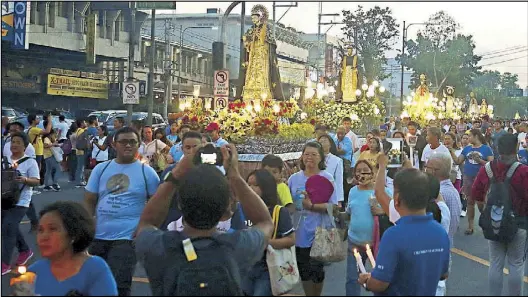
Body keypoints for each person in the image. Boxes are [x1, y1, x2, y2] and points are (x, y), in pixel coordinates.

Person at [135, 144, 274, 296]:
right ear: (226, 211)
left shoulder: (159, 246)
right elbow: (265, 222)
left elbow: (146, 223)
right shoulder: (238, 247)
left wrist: (176, 174)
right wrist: (234, 175)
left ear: (179, 205)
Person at [83, 127, 160, 296]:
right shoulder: (101, 169)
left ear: (138, 145)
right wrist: (86, 228)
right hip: (99, 235)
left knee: (119, 284)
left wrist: (146, 229)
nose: (128, 145)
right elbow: (89, 200)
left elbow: (158, 205)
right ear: (114, 144)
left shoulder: (147, 172)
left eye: (132, 142)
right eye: (123, 142)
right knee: (93, 282)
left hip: (127, 238)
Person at [358, 169, 450, 296]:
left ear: (397, 199)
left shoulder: (393, 235)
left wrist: (367, 281)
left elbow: (380, 283)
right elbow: (443, 274)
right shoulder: (440, 232)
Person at [472, 133, 528, 296]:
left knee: (495, 263)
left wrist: (487, 212)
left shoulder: (487, 169)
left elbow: (476, 194)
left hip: (494, 221)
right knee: (516, 264)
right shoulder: (524, 171)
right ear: (516, 148)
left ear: (497, 148)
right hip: (519, 223)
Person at [28, 201, 118, 296]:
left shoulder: (94, 268)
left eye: (53, 229)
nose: (44, 237)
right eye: (40, 230)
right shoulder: (34, 272)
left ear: (73, 234)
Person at [288, 142, 338, 296]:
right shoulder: (293, 179)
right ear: (302, 157)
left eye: (314, 154)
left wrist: (312, 206)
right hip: (299, 231)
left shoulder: (327, 178)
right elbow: (289, 205)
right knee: (304, 270)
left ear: (321, 158)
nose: (309, 157)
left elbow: (334, 207)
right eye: (306, 154)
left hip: (320, 230)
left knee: (317, 270)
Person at [242, 169, 295, 296]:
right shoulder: (241, 209)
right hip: (245, 268)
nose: (250, 188)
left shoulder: (279, 212)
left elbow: (291, 240)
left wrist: (265, 242)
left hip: (268, 269)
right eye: (248, 184)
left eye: (255, 185)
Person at [346, 160, 393, 296]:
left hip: (377, 244)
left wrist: (382, 211)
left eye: (365, 170)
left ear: (372, 173)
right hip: (354, 242)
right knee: (352, 279)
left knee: (379, 280)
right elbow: (349, 212)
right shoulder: (353, 191)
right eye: (358, 171)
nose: (362, 174)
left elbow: (396, 214)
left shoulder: (383, 192)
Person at [1, 132, 40, 275]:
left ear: (25, 145)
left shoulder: (30, 161)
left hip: (21, 201)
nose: (14, 145)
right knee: (8, 225)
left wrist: (24, 180)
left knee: (8, 227)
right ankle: (25, 250)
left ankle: (4, 263)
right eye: (12, 142)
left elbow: (37, 181)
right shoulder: (4, 160)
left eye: (18, 142)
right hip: (4, 199)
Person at [451, 128, 494, 235]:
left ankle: (487, 222)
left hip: (481, 178)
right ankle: (470, 226)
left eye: (470, 136)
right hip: (468, 178)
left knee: (480, 202)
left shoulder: (486, 149)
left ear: (476, 136)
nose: (468, 138)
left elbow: (492, 165)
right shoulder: (467, 149)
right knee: (470, 202)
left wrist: (480, 161)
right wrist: (451, 151)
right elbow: (458, 161)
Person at [425, 153, 461, 249]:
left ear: (433, 171)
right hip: (447, 243)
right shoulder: (452, 190)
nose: (424, 170)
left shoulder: (438, 193)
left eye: (426, 167)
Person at [317, 134, 345, 207]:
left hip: (330, 194)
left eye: (325, 141)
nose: (322, 143)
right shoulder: (315, 158)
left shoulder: (337, 160)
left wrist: (339, 200)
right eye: (320, 141)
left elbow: (339, 181)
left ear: (330, 144)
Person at [42, 122, 61, 192]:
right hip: (49, 155)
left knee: (48, 170)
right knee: (58, 169)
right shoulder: (46, 139)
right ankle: (55, 184)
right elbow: (45, 146)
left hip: (47, 156)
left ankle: (46, 185)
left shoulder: (47, 138)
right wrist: (53, 144)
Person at [73, 119, 88, 188]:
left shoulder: (78, 130)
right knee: (81, 167)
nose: (86, 123)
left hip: (77, 151)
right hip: (81, 151)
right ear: (82, 123)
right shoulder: (82, 131)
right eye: (84, 122)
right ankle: (79, 181)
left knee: (79, 166)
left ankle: (79, 180)